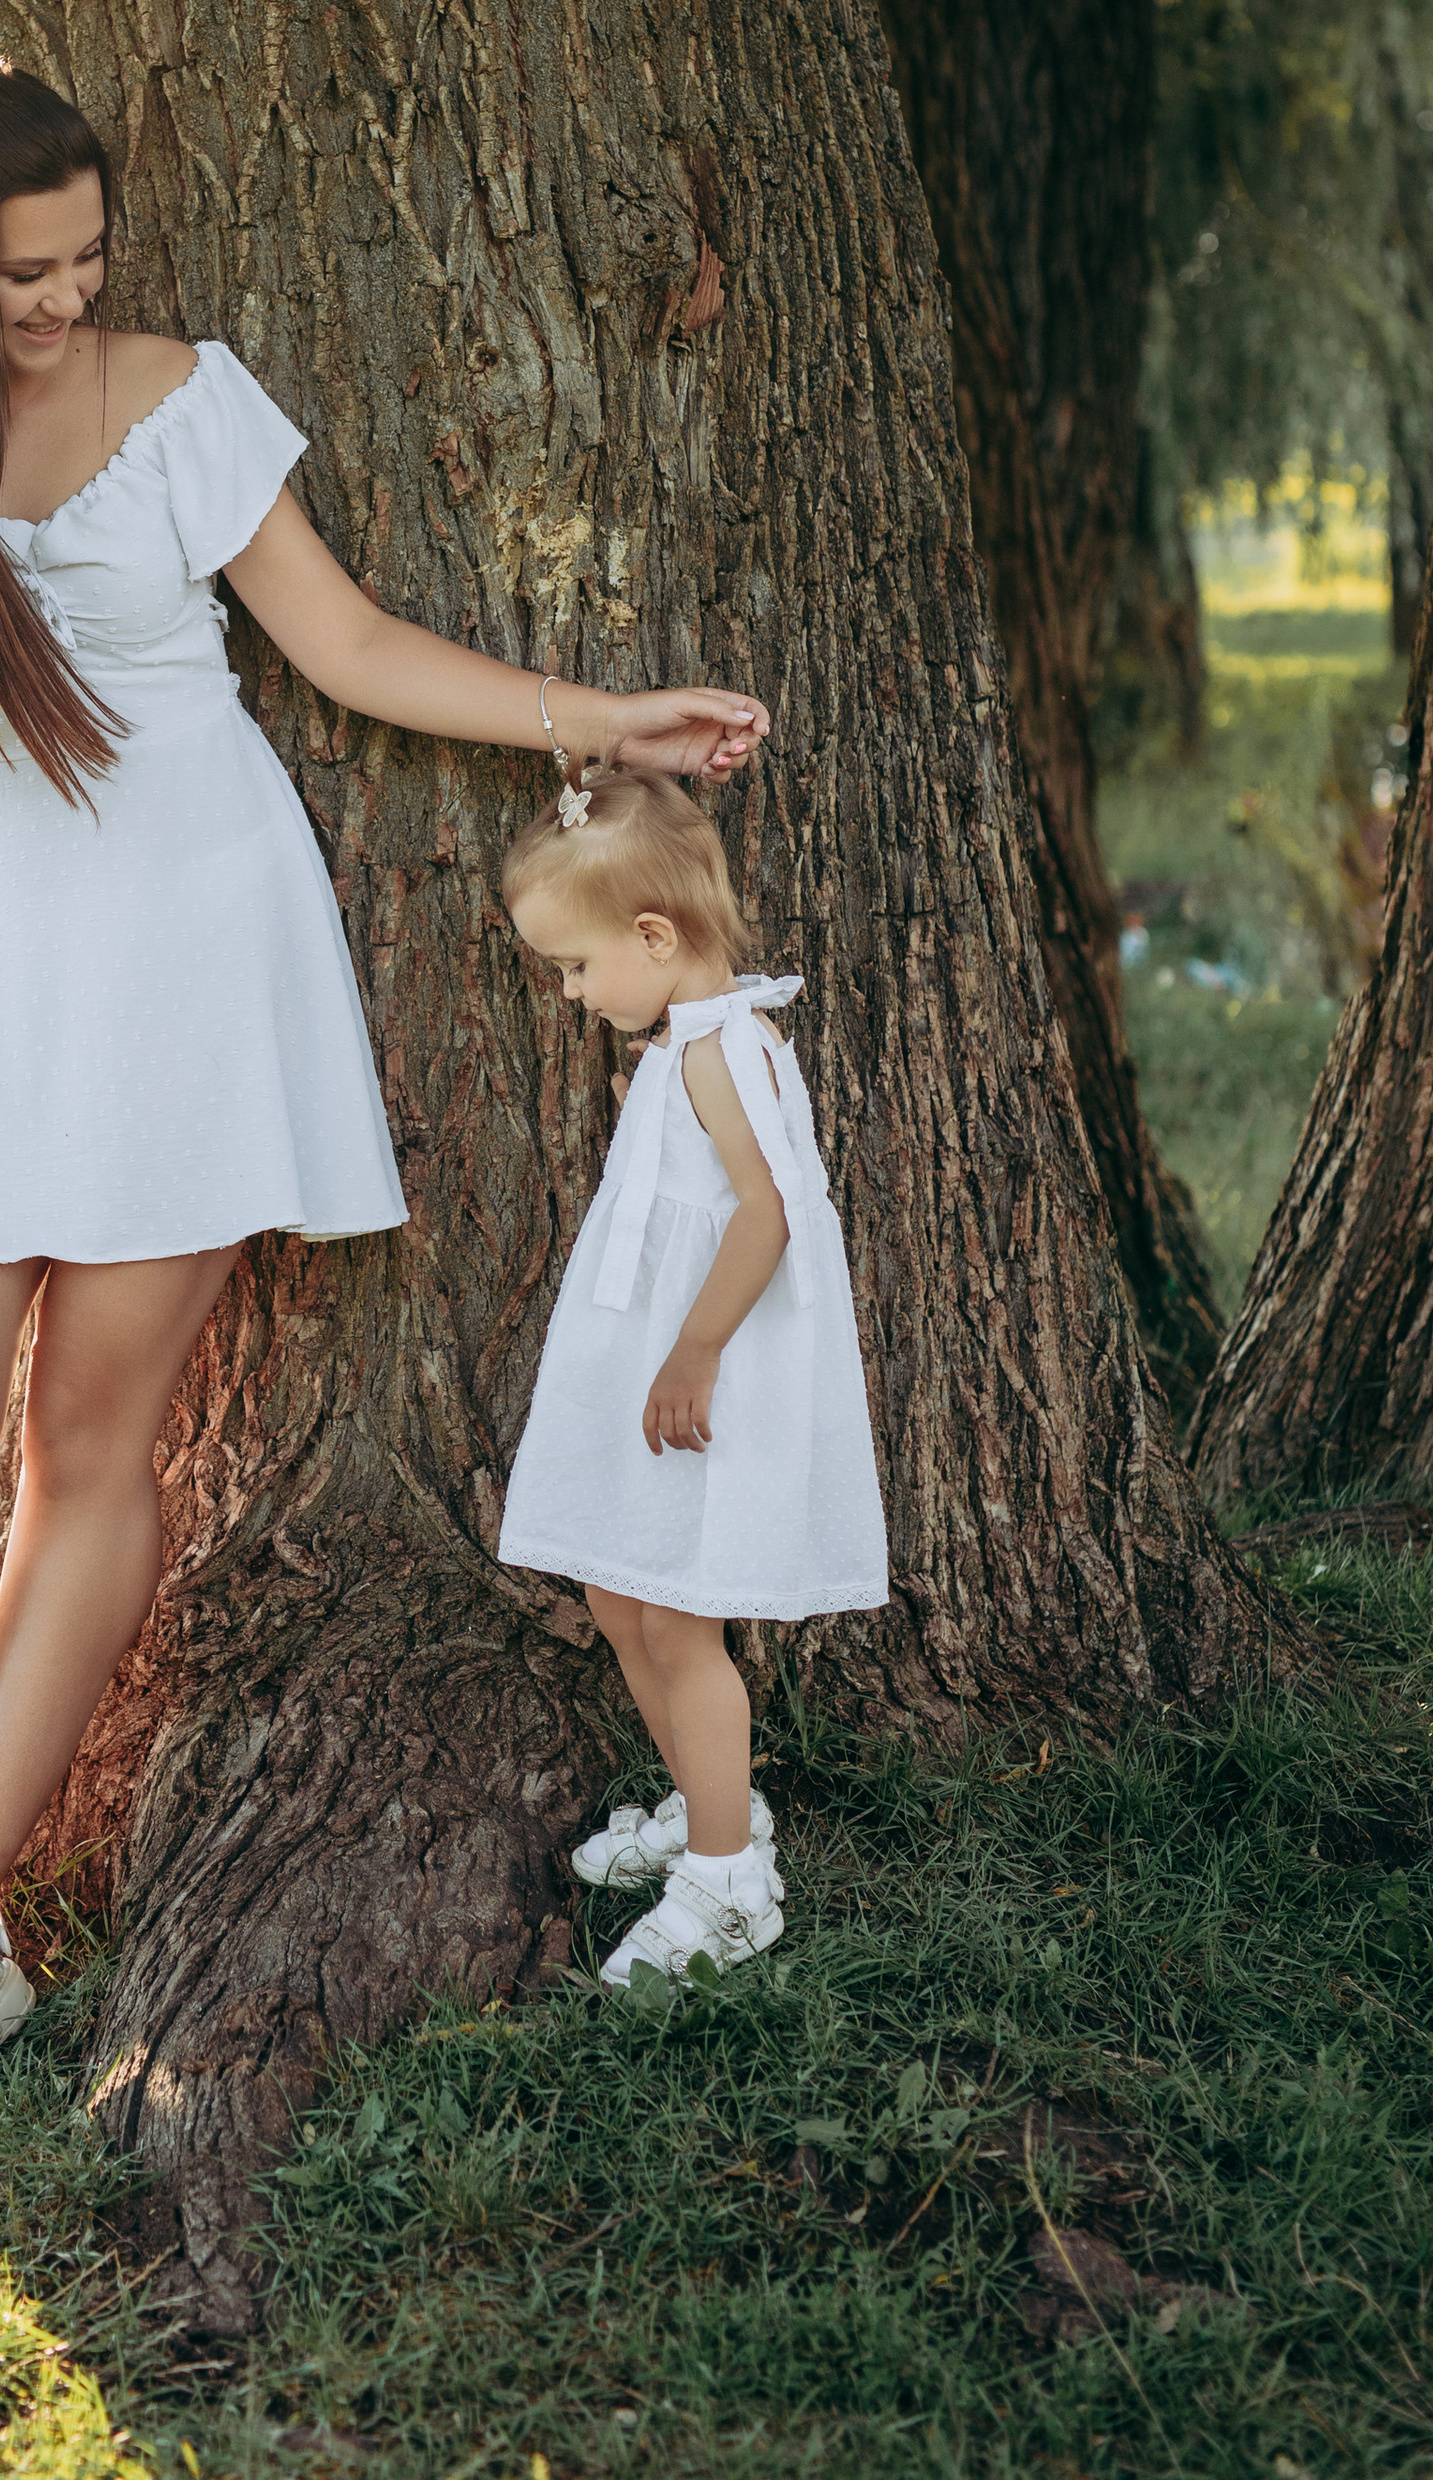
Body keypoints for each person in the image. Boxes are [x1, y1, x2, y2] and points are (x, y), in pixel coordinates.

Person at [0, 61, 772, 2108]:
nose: (56, 301)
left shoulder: (172, 397)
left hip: (196, 956)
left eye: (83, 259)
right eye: (18, 272)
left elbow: (355, 647)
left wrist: (602, 711)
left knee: (85, 1451)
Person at [495, 770, 886, 1984]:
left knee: (675, 1612)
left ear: (652, 937)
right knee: (621, 1594)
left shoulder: (727, 1052)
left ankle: (727, 1889)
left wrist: (695, 1349)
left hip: (706, 1368)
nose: (569, 991)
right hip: (651, 1354)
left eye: (574, 965)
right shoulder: (687, 1041)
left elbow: (767, 1218)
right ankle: (708, 1810)